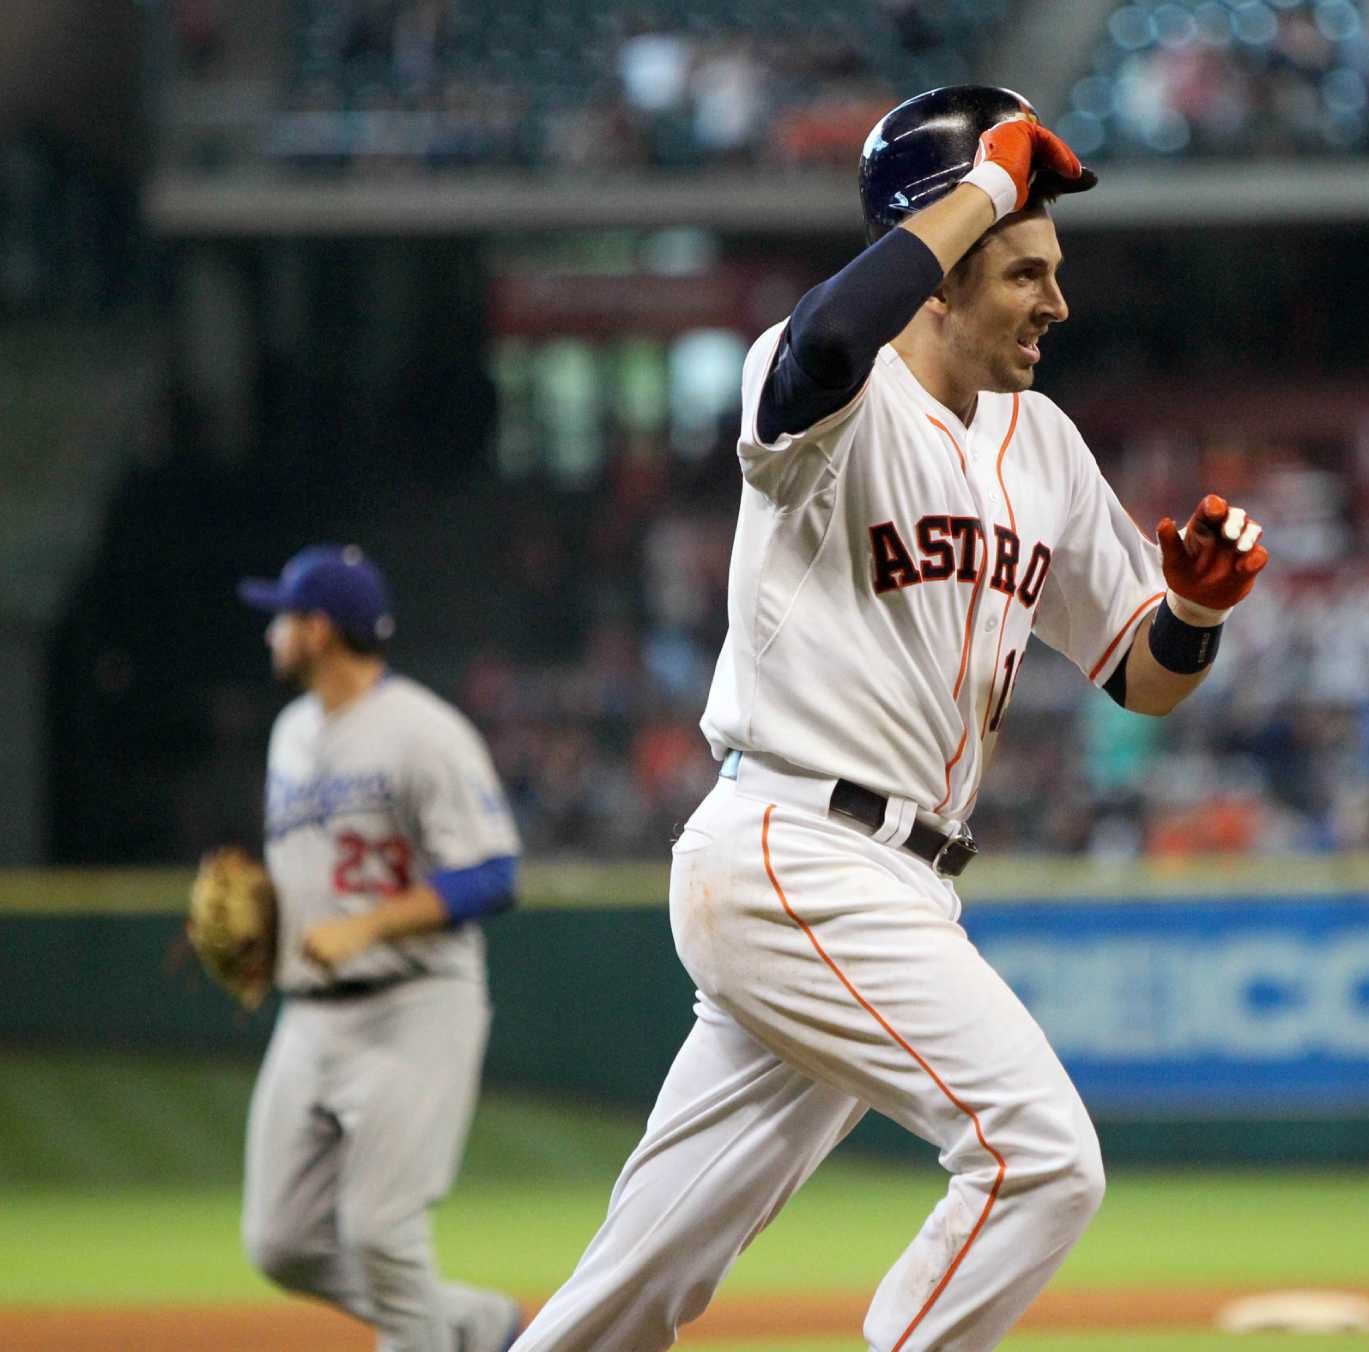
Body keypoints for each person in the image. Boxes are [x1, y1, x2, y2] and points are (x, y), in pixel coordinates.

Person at [512, 86, 1270, 1352]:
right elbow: (822, 344)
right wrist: (978, 184)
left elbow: (1138, 672)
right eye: (1024, 268)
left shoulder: (1043, 442)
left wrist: (1191, 610)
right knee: (1041, 1156)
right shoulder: (823, 380)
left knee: (640, 1280)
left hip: (895, 878)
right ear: (938, 265)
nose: (1055, 301)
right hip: (793, 842)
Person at [236, 543, 526, 1352]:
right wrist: (269, 935)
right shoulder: (290, 733)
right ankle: (475, 1325)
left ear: (319, 630)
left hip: (415, 1003)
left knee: (379, 1231)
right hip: (311, 1017)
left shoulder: (423, 732)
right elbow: (311, 872)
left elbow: (495, 873)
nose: (272, 635)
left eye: (282, 619)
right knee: (281, 1241)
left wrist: (365, 926)